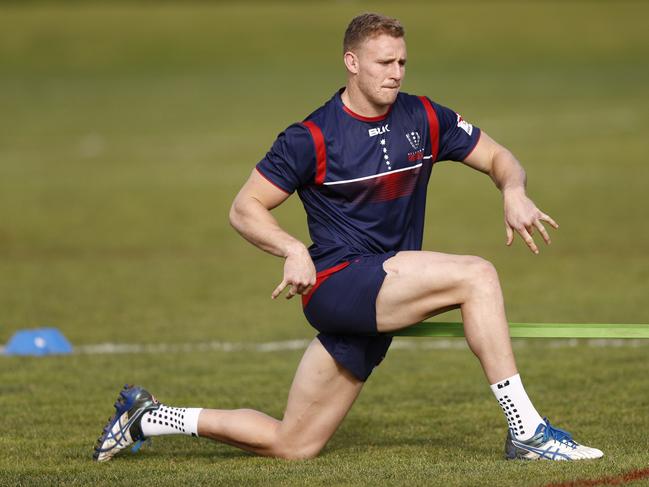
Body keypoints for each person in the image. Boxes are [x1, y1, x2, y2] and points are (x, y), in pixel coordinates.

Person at [93, 13, 603, 462]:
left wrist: (512, 190)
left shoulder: (424, 116)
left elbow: (498, 157)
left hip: (377, 294)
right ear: (352, 63)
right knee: (477, 276)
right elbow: (243, 207)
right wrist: (292, 249)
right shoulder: (311, 136)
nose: (396, 73)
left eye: (402, 62)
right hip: (337, 282)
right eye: (384, 63)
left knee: (292, 444)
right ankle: (528, 432)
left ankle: (149, 417)